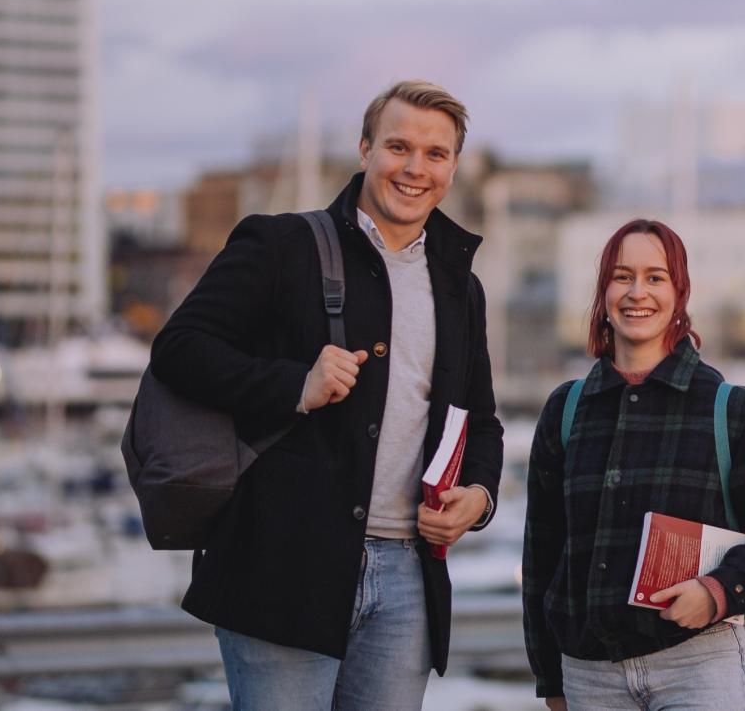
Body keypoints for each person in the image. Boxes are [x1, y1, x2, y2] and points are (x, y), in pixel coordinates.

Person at [150, 80, 503, 710]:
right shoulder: (282, 245)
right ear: (365, 148)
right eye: (398, 147)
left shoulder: (459, 286)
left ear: (452, 166)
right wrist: (296, 386)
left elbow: (480, 421)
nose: (415, 168)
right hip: (284, 562)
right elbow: (179, 348)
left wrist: (478, 499)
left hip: (407, 578)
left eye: (435, 153)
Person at [522, 219, 745, 710]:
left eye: (655, 277)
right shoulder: (567, 409)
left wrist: (719, 590)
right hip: (588, 675)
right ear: (603, 290)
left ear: (679, 292)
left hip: (699, 665)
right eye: (622, 276)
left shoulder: (735, 411)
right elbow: (542, 553)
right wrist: (550, 679)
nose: (637, 292)